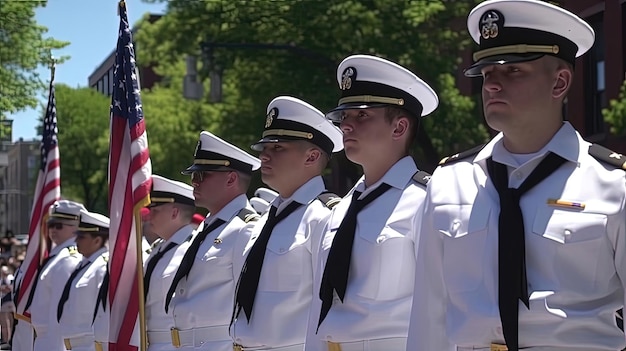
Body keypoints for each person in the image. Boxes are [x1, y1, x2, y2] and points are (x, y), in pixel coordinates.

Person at [407, 1, 626, 350]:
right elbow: (429, 317)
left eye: (512, 72)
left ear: (560, 82)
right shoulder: (449, 183)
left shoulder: (613, 184)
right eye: (487, 74)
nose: (492, 85)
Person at [305, 54, 439, 351]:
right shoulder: (339, 210)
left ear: (399, 128)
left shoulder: (427, 201)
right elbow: (320, 308)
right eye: (344, 117)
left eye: (361, 116)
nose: (346, 126)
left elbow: (438, 311)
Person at [231, 96, 344, 351]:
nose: (264, 157)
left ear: (312, 156)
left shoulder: (325, 217)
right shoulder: (261, 223)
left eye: (278, 149)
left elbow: (329, 307)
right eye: (264, 150)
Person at [164, 131, 261, 351]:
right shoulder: (205, 229)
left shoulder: (246, 227)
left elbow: (248, 305)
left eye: (202, 176)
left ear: (231, 178)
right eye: (193, 176)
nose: (194, 183)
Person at [143, 175, 196, 351]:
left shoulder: (193, 249)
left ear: (174, 213)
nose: (149, 215)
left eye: (155, 210)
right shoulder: (157, 251)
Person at [28, 200, 85, 351]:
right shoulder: (58, 256)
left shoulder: (67, 260)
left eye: (59, 226)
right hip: (44, 338)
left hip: (53, 340)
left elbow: (59, 315)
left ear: (76, 227)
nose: (53, 230)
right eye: (51, 225)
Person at [57, 210, 109, 351]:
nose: (76, 241)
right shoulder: (84, 264)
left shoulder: (103, 266)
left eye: (81, 237)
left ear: (97, 240)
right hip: (74, 344)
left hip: (90, 344)